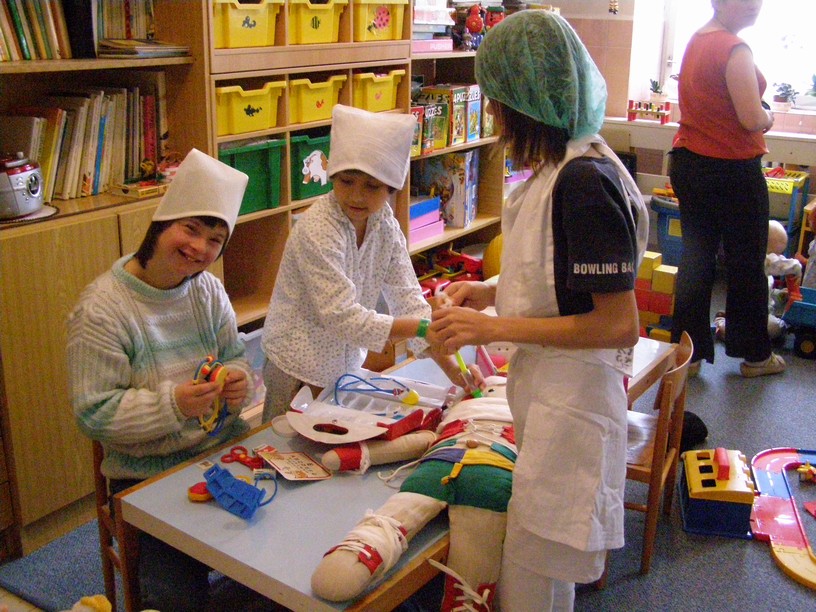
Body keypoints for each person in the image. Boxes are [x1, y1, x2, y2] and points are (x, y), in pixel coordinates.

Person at [430, 11, 649, 611]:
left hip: (573, 404)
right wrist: (488, 292)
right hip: (553, 395)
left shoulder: (585, 181)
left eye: (496, 101)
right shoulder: (562, 170)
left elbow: (617, 323)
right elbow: (560, 276)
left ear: (525, 101)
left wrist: (491, 327)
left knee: (532, 569)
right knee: (544, 565)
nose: (493, 115)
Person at [67, 149, 266, 611]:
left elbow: (236, 359)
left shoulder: (208, 290)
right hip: (145, 477)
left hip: (223, 454)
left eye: (214, 240)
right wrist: (173, 404)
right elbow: (93, 413)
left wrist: (238, 382)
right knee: (175, 599)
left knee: (285, 559)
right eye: (190, 229)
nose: (199, 248)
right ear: (161, 223)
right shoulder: (101, 310)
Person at [260, 104, 481, 422]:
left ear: (392, 187)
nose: (357, 196)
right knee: (285, 439)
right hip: (295, 365)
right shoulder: (318, 228)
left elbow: (409, 300)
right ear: (332, 176)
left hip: (344, 366)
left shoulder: (384, 224)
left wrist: (456, 373)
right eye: (346, 181)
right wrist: (423, 327)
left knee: (333, 436)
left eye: (372, 186)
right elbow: (342, 317)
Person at [669, 0, 783, 377]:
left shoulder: (698, 40)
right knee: (746, 263)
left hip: (690, 163)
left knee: (696, 260)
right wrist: (769, 115)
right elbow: (751, 118)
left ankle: (688, 356)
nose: (755, 5)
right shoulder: (735, 48)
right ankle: (755, 356)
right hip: (732, 169)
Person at [715, 220, 802, 341]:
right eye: (776, 254)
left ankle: (728, 320)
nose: (779, 257)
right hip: (749, 315)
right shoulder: (761, 261)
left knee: (770, 323)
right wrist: (797, 266)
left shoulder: (763, 268)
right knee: (775, 328)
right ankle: (722, 324)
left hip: (759, 311)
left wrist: (780, 295)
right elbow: (781, 264)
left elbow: (767, 291)